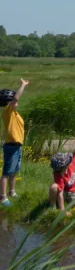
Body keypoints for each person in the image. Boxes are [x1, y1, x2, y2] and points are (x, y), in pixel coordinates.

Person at [0, 79, 29, 207]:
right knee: (6, 173)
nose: (15, 101)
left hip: (17, 147)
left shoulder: (15, 113)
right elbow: (16, 98)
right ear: (8, 102)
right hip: (11, 147)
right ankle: (3, 197)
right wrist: (23, 85)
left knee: (14, 171)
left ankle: (12, 192)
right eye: (12, 100)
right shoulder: (7, 111)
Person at [49, 138, 75, 212]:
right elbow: (60, 193)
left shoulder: (71, 164)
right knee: (53, 187)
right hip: (63, 194)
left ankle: (72, 209)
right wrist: (63, 210)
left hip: (74, 193)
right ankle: (52, 206)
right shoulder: (58, 174)